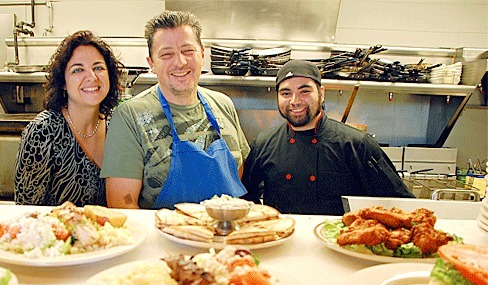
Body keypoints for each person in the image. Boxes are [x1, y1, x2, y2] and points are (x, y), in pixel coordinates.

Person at [100, 11, 250, 209]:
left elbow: (238, 174)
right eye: (166, 54)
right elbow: (122, 205)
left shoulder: (224, 104)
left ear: (202, 54)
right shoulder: (130, 116)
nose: (180, 62)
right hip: (164, 238)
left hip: (226, 234)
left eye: (188, 51)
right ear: (151, 63)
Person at [241, 59, 414, 215]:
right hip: (283, 243)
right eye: (286, 93)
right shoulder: (263, 143)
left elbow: (400, 204)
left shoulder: (357, 144)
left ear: (321, 93)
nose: (295, 101)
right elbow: (246, 197)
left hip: (339, 244)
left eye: (304, 91)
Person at [15, 30, 124, 206]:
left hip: (104, 231)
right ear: (63, 83)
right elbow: (26, 209)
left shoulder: (118, 126)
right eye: (78, 70)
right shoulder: (43, 131)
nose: (92, 77)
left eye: (98, 68)